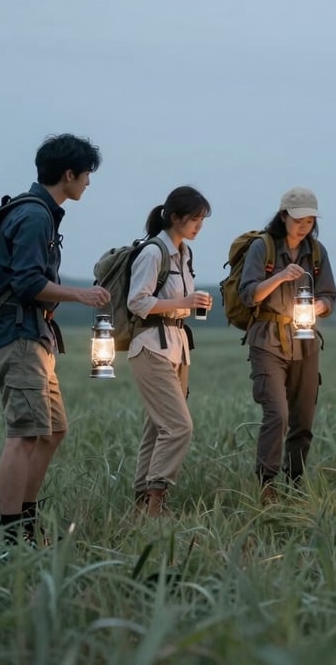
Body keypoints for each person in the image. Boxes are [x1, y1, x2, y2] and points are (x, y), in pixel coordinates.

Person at [0, 134, 111, 544]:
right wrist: (79, 294)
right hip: (17, 336)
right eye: (87, 173)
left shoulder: (42, 213)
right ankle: (10, 537)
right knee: (24, 435)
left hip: (34, 337)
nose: (89, 182)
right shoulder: (35, 216)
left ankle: (26, 520)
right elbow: (27, 283)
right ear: (69, 174)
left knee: (52, 430)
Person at [239, 187, 336, 501]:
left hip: (305, 343)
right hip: (268, 340)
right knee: (277, 415)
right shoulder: (262, 248)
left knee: (303, 419)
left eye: (309, 220)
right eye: (298, 219)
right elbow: (248, 294)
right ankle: (266, 485)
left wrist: (318, 307)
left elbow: (329, 296)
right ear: (283, 216)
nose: (303, 226)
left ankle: (294, 487)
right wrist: (281, 276)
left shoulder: (317, 252)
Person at [127, 186, 212, 518]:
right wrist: (184, 303)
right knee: (179, 427)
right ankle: (156, 505)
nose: (198, 226)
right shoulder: (153, 253)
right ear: (175, 217)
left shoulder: (184, 253)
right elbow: (137, 302)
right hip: (150, 347)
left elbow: (179, 302)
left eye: (202, 220)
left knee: (157, 426)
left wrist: (192, 304)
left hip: (177, 348)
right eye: (194, 219)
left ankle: (140, 501)